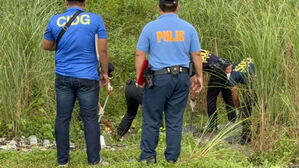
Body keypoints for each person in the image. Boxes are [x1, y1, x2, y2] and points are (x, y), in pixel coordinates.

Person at [135, 0, 203, 163]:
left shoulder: (150, 27)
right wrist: (199, 76)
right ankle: (172, 158)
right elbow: (196, 55)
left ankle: (148, 156)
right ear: (178, 7)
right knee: (175, 119)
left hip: (158, 78)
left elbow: (140, 54)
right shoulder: (188, 28)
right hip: (181, 78)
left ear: (159, 8)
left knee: (152, 117)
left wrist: (140, 78)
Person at [42, 0, 109, 165]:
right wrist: (105, 72)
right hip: (88, 77)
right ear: (84, 3)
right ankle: (94, 160)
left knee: (63, 118)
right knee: (90, 118)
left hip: (63, 76)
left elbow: (46, 45)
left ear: (66, 2)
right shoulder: (95, 19)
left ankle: (62, 161)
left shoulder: (55, 20)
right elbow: (103, 50)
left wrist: (64, 46)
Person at [200, 50, 237, 131]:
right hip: (226, 69)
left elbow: (193, 78)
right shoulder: (201, 50)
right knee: (228, 98)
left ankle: (212, 125)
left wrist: (192, 97)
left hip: (217, 71)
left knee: (211, 99)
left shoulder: (191, 58)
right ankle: (233, 122)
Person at [229, 58, 256, 145]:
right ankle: (261, 133)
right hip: (264, 79)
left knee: (245, 110)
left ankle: (246, 138)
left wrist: (238, 109)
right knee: (264, 108)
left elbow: (235, 98)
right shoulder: (239, 63)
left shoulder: (231, 76)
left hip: (255, 83)